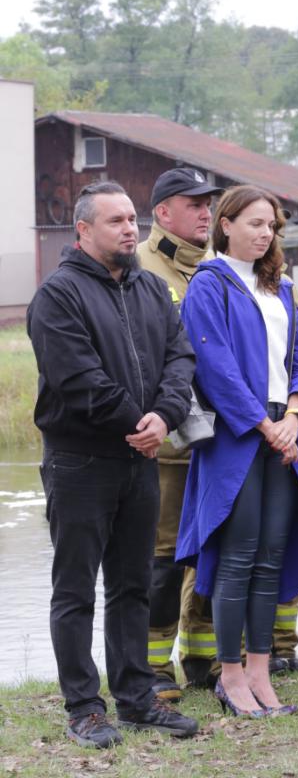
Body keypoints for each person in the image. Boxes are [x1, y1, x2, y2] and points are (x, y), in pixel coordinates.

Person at [28, 181, 199, 748]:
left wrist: (166, 415)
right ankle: (83, 707)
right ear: (83, 230)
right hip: (81, 461)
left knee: (133, 585)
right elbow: (77, 380)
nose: (130, 228)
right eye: (116, 221)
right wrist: (140, 422)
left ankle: (136, 697)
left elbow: (180, 357)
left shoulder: (151, 289)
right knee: (75, 589)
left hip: (141, 458)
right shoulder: (58, 296)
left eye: (132, 219)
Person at [176, 185, 298, 717]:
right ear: (226, 224)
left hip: (285, 431)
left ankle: (261, 673)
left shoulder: (279, 286)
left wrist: (294, 416)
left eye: (272, 227)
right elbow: (215, 368)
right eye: (255, 223)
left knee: (270, 557)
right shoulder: (209, 285)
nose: (265, 234)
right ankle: (230, 675)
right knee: (237, 556)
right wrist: (264, 424)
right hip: (239, 435)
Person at [137, 168, 222, 699]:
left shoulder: (215, 267)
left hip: (220, 439)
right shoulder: (140, 269)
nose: (205, 213)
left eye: (209, 204)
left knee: (212, 549)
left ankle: (203, 658)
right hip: (164, 444)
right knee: (163, 557)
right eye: (193, 204)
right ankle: (151, 667)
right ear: (163, 212)